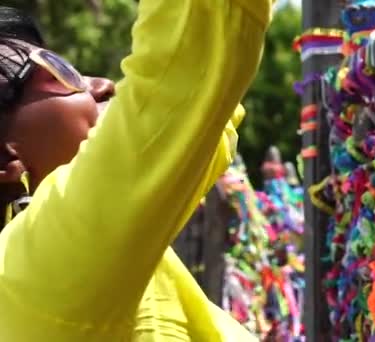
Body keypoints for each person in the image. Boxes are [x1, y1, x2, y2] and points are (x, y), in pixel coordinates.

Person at [0, 0, 272, 340]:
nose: (102, 84)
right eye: (59, 71)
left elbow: (197, 104)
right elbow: (185, 66)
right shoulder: (34, 273)